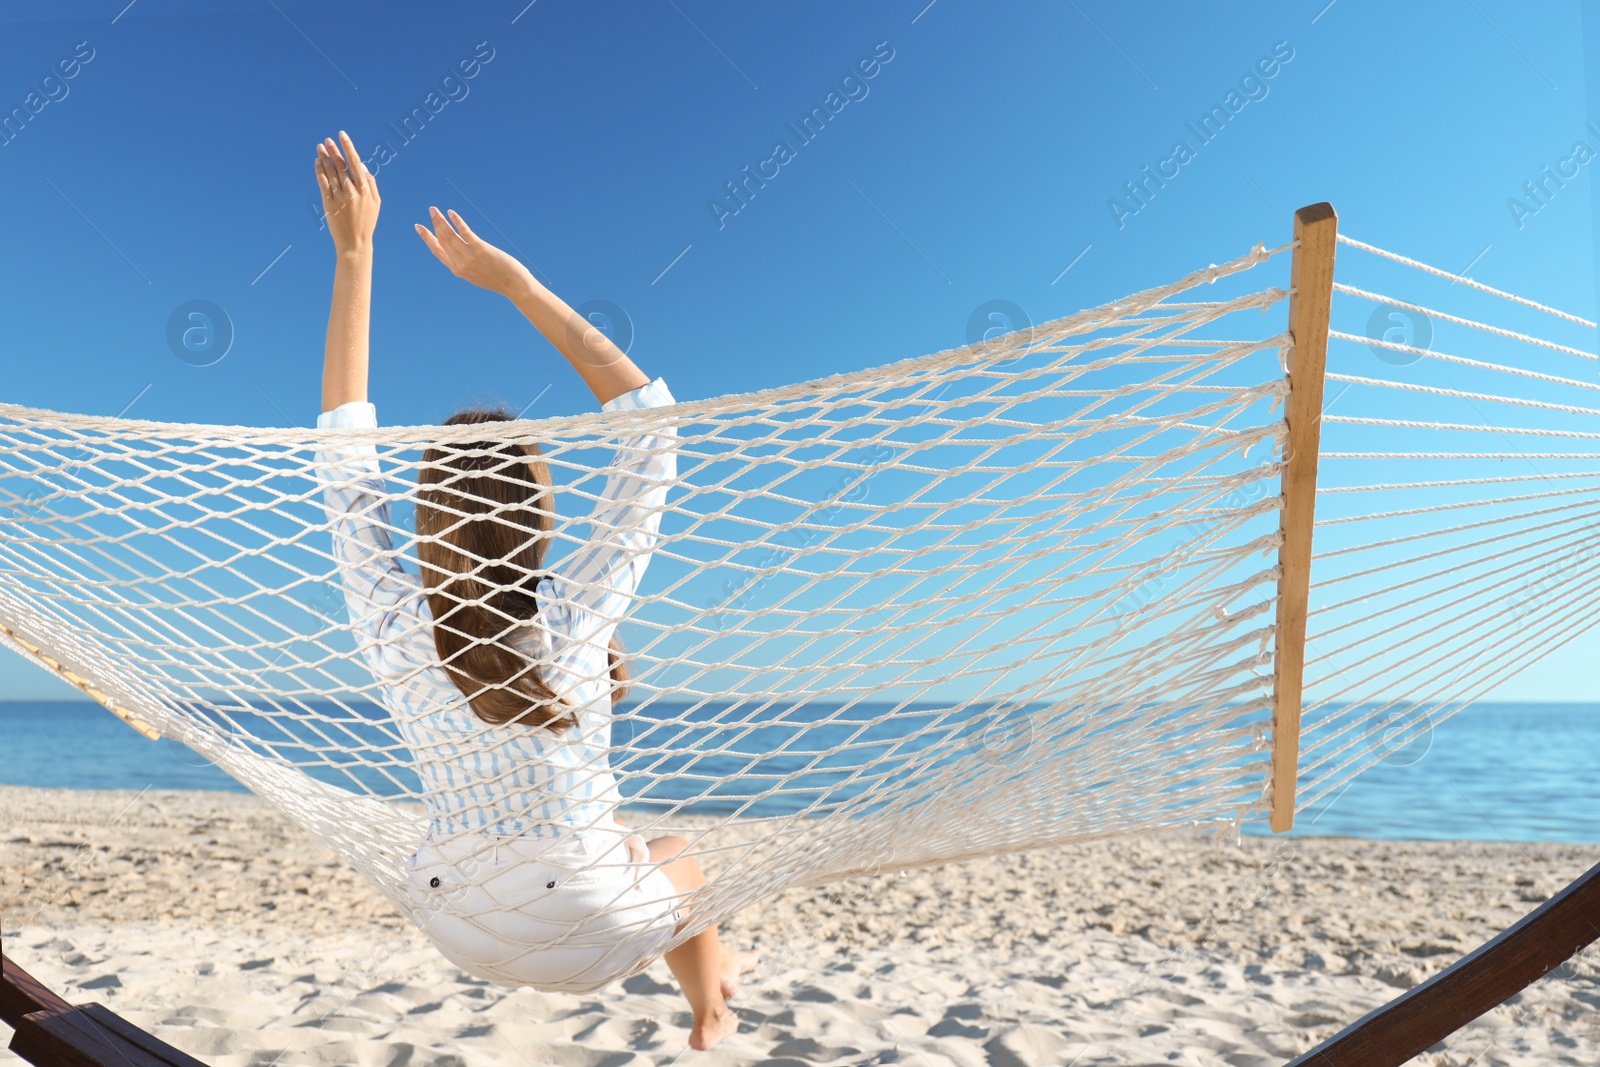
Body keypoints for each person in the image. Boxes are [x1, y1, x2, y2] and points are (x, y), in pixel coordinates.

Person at [310, 131, 756, 1051]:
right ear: (541, 515)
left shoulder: (392, 618)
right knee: (677, 858)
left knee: (645, 855)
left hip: (457, 923)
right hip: (590, 924)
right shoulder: (574, 611)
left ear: (430, 515)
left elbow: (345, 458)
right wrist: (517, 285)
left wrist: (355, 254)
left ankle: (709, 996)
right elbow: (652, 434)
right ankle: (711, 1006)